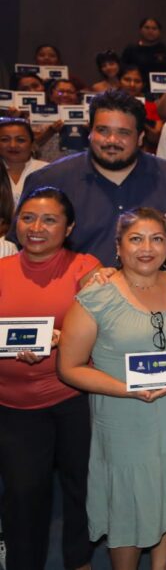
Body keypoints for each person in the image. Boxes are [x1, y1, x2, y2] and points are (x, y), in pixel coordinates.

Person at [57, 208, 166, 570]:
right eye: (136, 239)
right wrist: (128, 390)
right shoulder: (96, 297)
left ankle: (160, 566)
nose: (147, 248)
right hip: (124, 417)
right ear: (118, 247)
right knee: (128, 503)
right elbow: (69, 367)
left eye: (157, 239)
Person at [0, 188, 99, 570]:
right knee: (23, 493)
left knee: (80, 485)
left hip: (72, 398)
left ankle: (79, 560)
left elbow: (101, 326)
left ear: (69, 227)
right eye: (27, 218)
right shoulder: (2, 270)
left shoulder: (86, 267)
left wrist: (61, 339)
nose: (36, 228)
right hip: (12, 405)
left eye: (49, 220)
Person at [17, 90, 166, 266]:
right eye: (102, 130)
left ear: (140, 138)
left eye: (123, 133)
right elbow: (22, 246)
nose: (112, 140)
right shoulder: (49, 180)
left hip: (155, 291)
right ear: (89, 132)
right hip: (71, 290)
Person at [121, 17, 166, 92]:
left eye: (154, 28)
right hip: (136, 92)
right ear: (140, 30)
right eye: (147, 28)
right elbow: (122, 72)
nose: (150, 31)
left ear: (159, 32)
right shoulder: (130, 50)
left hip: (162, 93)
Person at [0, 117, 47, 205]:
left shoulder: (47, 170)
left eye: (20, 140)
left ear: (32, 144)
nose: (12, 145)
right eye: (4, 140)